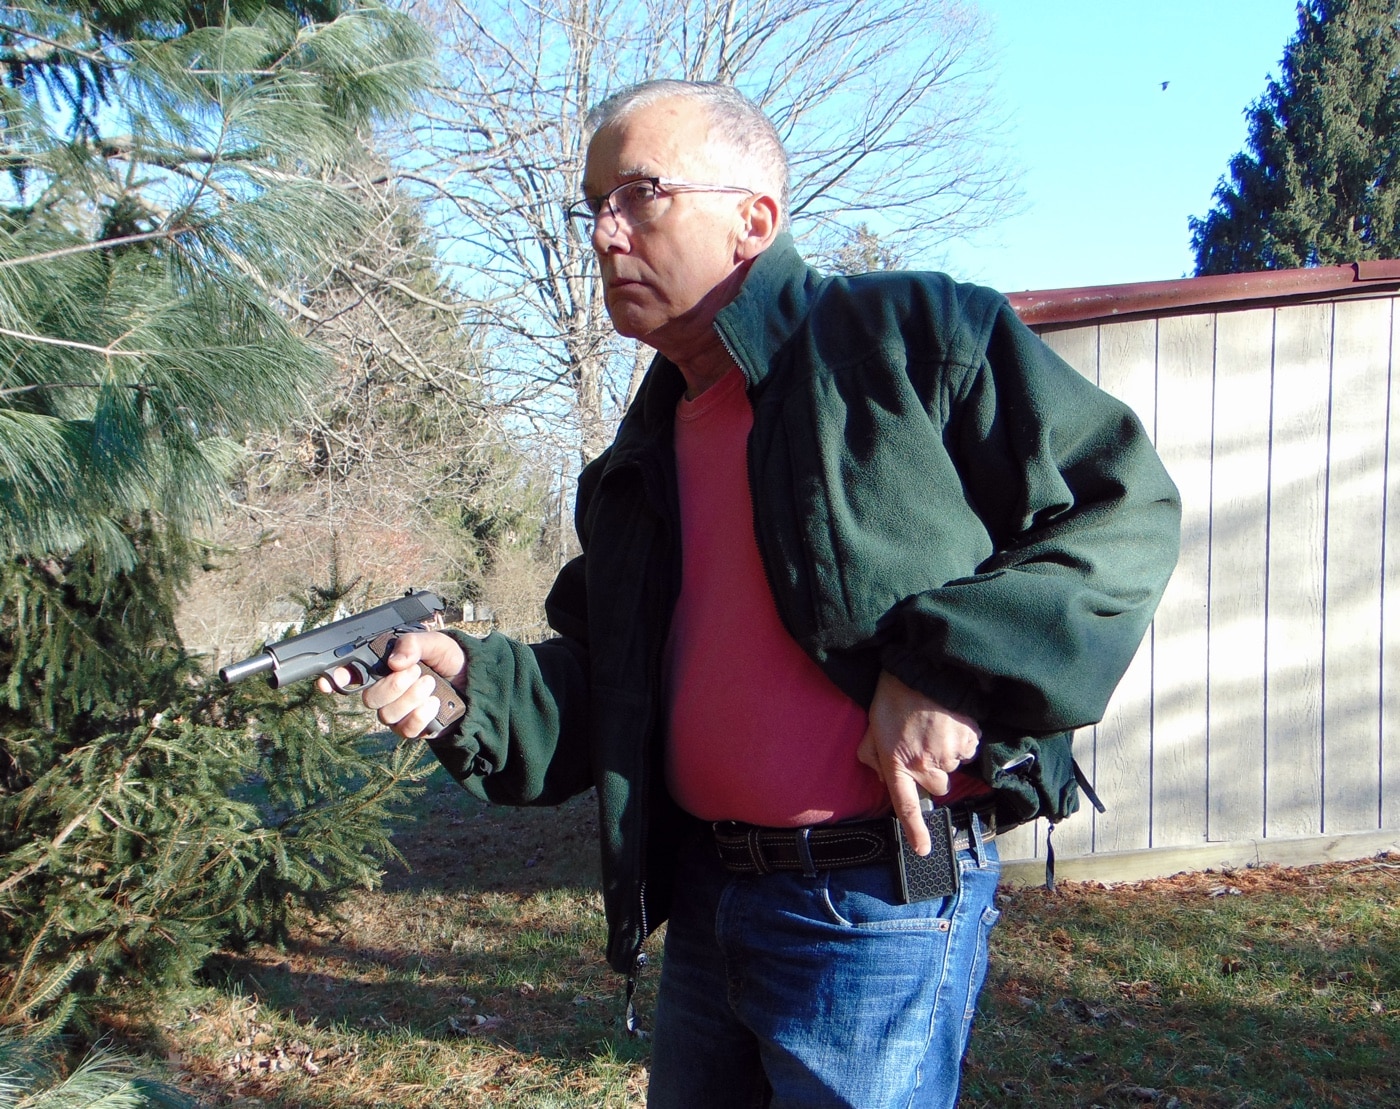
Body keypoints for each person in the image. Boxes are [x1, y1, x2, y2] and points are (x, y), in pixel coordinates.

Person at [324, 80, 1181, 1108]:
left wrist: (942, 670)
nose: (601, 233)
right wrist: (468, 679)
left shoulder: (905, 339)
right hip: (706, 897)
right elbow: (610, 687)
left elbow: (1122, 508)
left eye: (639, 193)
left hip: (871, 904)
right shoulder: (638, 455)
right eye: (589, 202)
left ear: (753, 220)